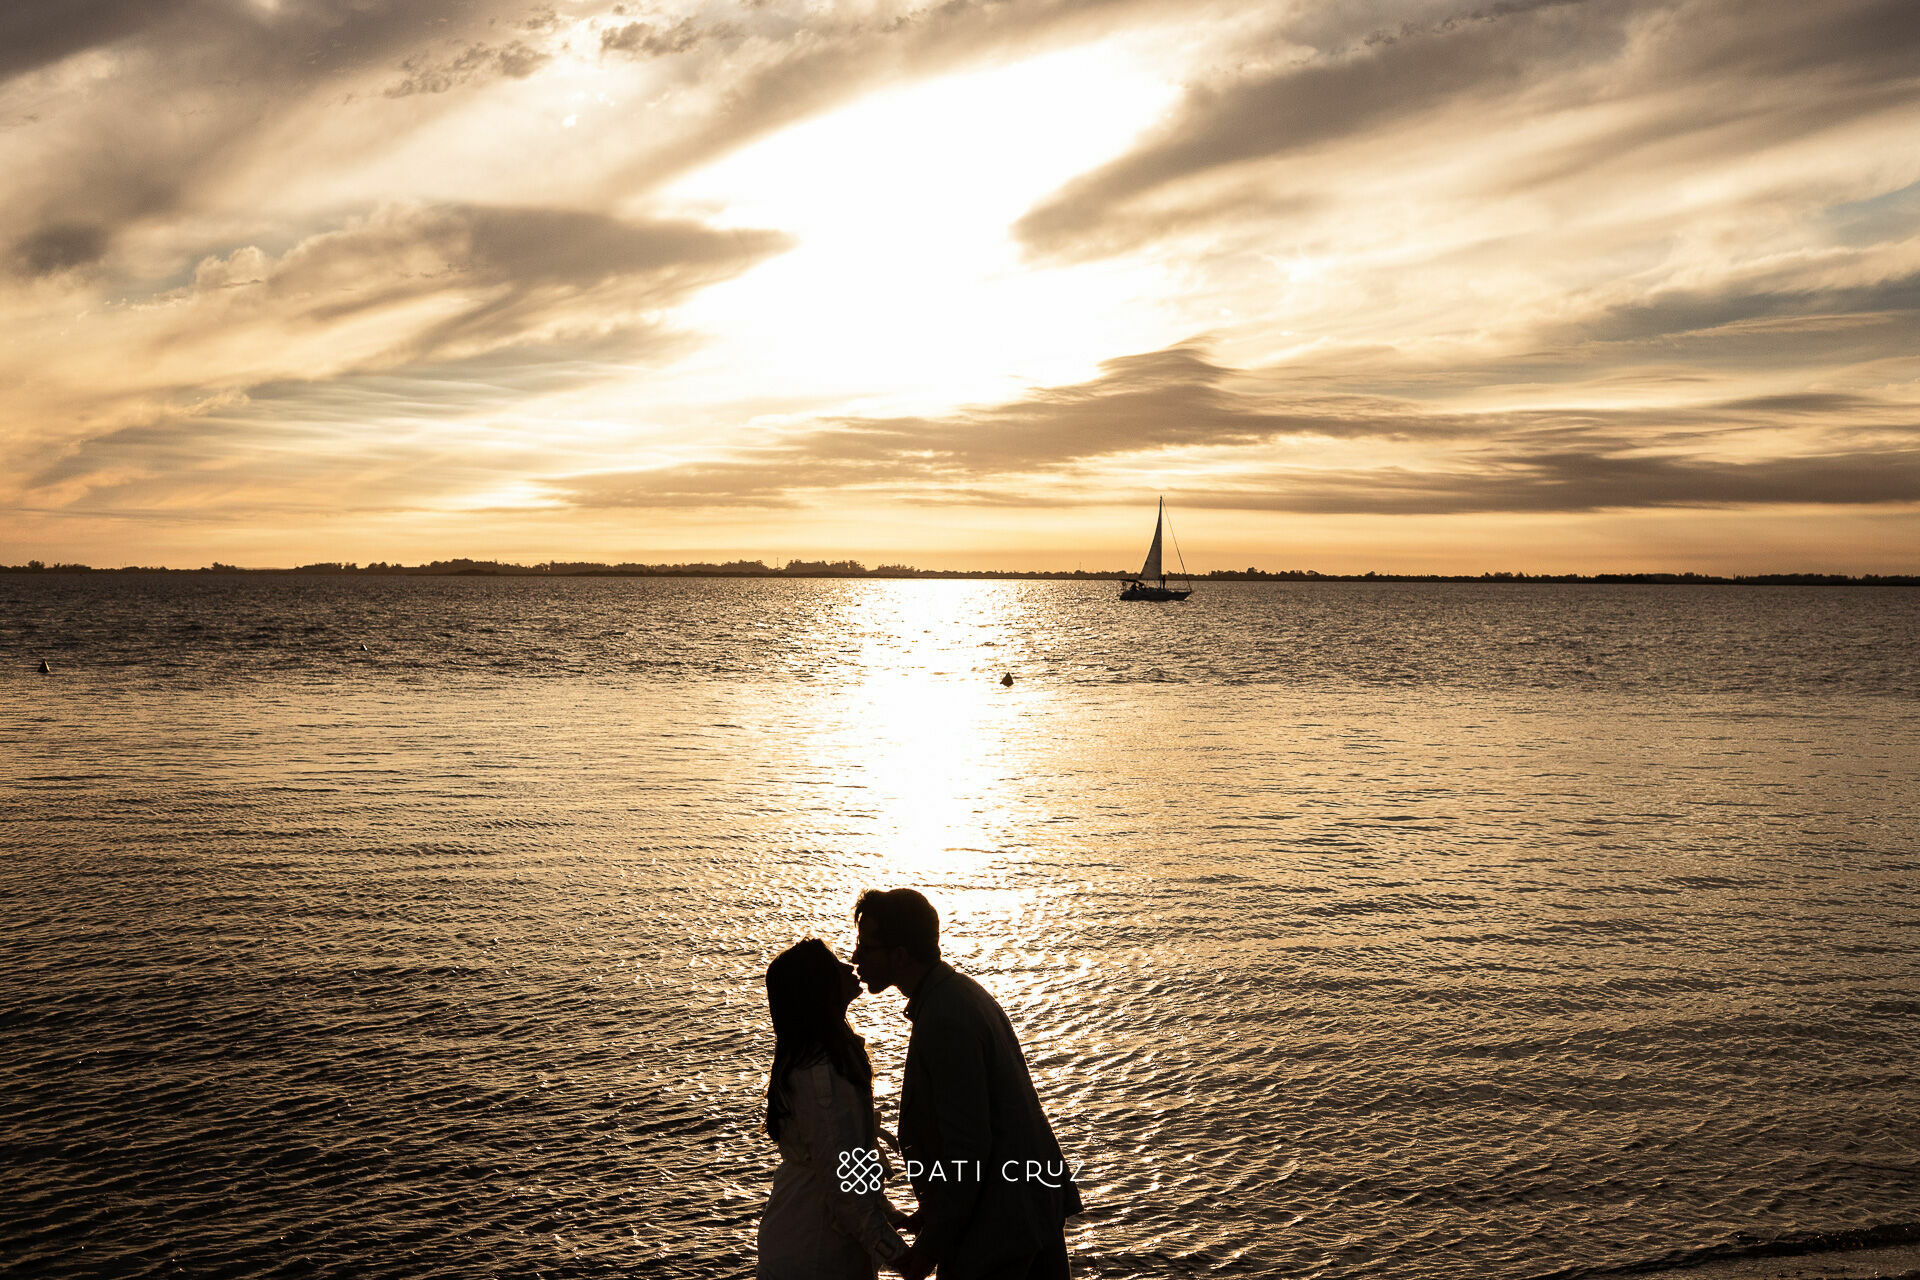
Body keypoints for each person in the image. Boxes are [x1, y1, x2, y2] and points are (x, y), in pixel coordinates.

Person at [851, 890, 1083, 1280]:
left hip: (997, 1233)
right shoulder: (963, 995)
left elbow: (969, 1148)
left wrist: (929, 1249)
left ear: (900, 955)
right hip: (1031, 1210)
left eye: (865, 944)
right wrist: (935, 1208)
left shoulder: (944, 1020)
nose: (856, 956)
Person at [758, 938, 911, 1280]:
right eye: (834, 966)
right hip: (815, 1253)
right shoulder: (821, 1073)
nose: (849, 966)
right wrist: (901, 1258)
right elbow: (845, 1189)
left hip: (807, 1241)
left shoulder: (823, 1059)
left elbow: (844, 1164)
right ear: (819, 989)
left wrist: (892, 1216)